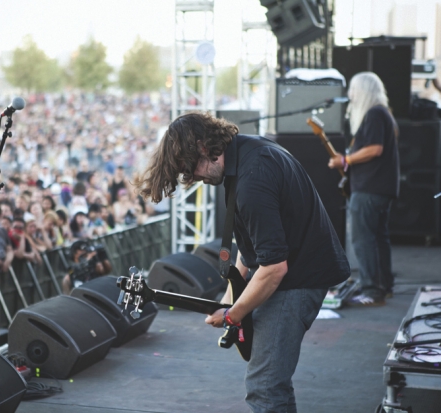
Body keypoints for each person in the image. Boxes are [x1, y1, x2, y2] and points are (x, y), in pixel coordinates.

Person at [135, 112, 349, 413]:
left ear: (204, 147)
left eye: (190, 168)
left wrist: (234, 314)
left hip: (299, 278)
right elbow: (250, 246)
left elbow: (274, 268)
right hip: (295, 270)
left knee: (264, 386)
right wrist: (228, 296)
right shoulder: (246, 153)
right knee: (274, 383)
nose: (192, 177)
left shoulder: (253, 180)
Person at [329, 72, 400, 306]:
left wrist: (346, 160)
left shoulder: (374, 114)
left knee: (363, 239)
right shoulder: (383, 113)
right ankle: (383, 286)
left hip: (370, 187)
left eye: (353, 90)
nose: (350, 95)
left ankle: (371, 290)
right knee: (379, 238)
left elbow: (374, 149)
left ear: (363, 91)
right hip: (380, 187)